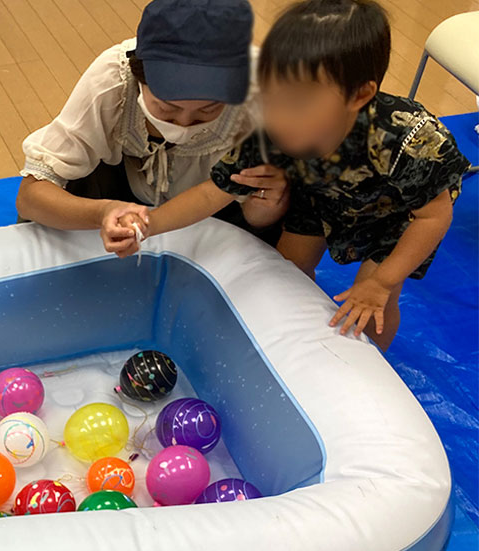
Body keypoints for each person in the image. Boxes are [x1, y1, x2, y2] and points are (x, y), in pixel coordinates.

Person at [103, 0, 470, 351]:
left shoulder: (408, 140)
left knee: (372, 299)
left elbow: (434, 216)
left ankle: (371, 364)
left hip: (393, 218)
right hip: (320, 198)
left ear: (359, 95)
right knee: (285, 269)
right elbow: (212, 192)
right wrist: (149, 224)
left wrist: (383, 281)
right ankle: (296, 344)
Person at [16, 0, 290, 247]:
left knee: (270, 230)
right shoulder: (113, 82)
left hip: (220, 212)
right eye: (166, 109)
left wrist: (266, 205)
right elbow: (30, 198)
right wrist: (102, 212)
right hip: (120, 190)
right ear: (138, 72)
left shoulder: (261, 97)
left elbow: (235, 205)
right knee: (51, 220)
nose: (183, 124)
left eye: (207, 111)